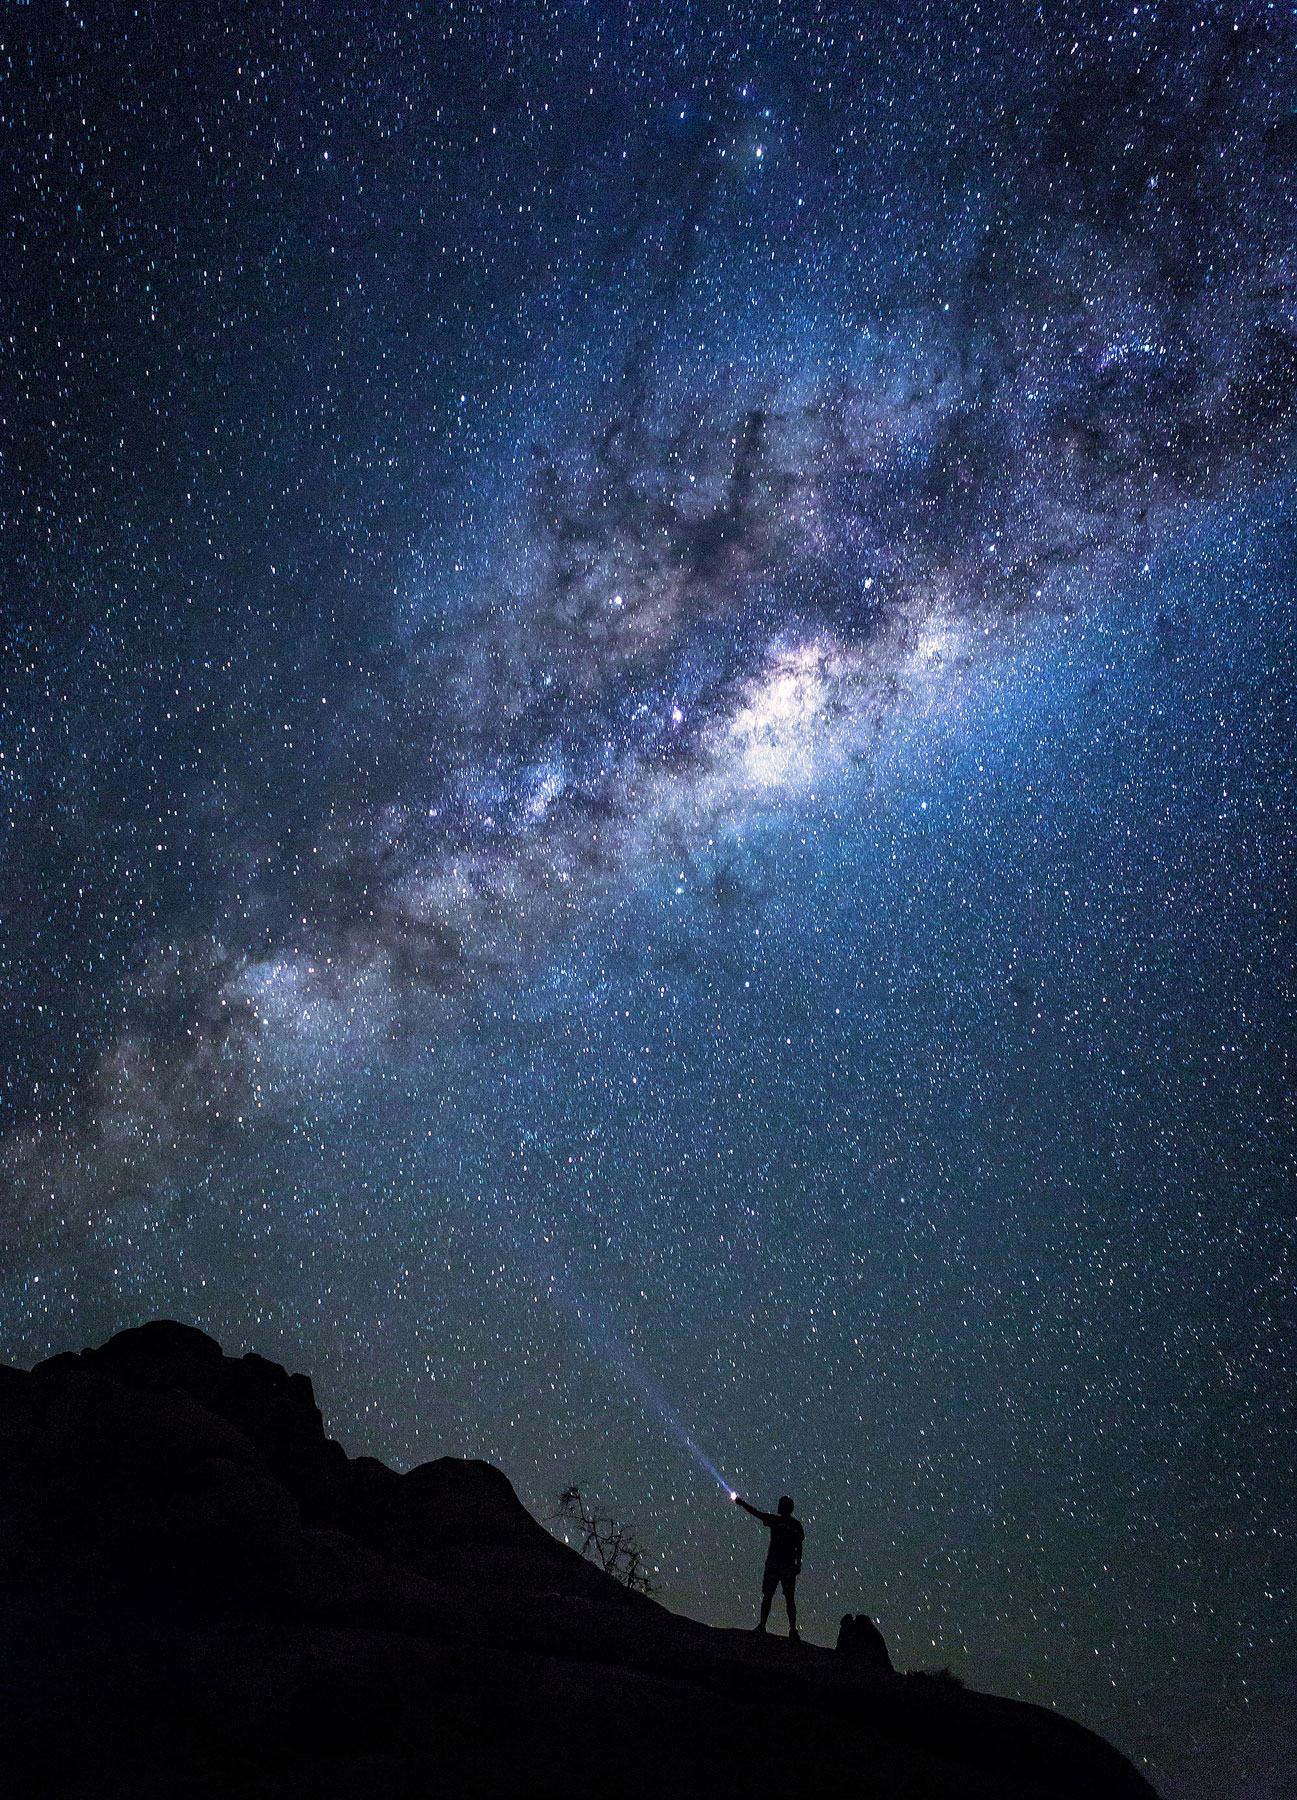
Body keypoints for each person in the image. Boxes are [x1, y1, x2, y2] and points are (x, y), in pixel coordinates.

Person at [733, 1492, 803, 1639]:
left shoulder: (777, 1521)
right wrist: (798, 1564)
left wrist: (742, 1503)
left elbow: (757, 1513)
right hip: (786, 1565)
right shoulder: (795, 1525)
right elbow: (799, 1545)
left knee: (771, 1596)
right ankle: (791, 1630)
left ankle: (765, 1626)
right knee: (786, 1597)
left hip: (776, 1564)